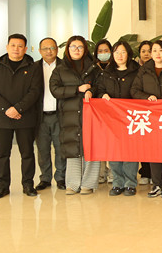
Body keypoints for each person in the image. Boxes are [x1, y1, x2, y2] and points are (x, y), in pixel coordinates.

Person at [0, 34, 42, 199]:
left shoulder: (33, 67)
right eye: (13, 45)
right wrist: (7, 109)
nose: (16, 49)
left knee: (27, 153)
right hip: (2, 118)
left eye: (20, 46)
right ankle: (2, 187)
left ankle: (28, 185)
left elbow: (35, 91)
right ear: (7, 47)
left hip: (25, 117)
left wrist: (18, 109)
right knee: (2, 154)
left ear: (25, 49)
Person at [49, 35, 100, 195]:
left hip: (90, 113)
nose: (76, 50)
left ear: (85, 49)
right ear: (68, 49)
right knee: (72, 147)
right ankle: (72, 184)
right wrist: (77, 89)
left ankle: (88, 184)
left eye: (80, 47)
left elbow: (101, 86)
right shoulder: (60, 69)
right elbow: (55, 90)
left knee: (91, 147)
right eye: (73, 47)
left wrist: (92, 91)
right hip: (69, 114)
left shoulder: (94, 67)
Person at [131, 40, 162, 198]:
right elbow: (134, 90)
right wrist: (146, 97)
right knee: (154, 151)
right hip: (150, 116)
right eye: (154, 50)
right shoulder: (144, 70)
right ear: (150, 54)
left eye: (161, 50)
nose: (158, 53)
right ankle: (156, 184)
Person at [93, 40, 141, 196]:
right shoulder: (106, 73)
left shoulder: (137, 71)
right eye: (117, 52)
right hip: (111, 118)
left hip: (130, 118)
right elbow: (99, 90)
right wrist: (103, 95)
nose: (120, 55)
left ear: (128, 54)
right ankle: (117, 182)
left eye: (123, 52)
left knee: (130, 151)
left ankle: (130, 183)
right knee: (114, 151)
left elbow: (139, 91)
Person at [33, 37, 65, 191]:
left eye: (52, 48)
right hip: (40, 116)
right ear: (40, 51)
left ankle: (61, 177)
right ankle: (45, 178)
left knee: (60, 148)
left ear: (57, 49)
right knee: (43, 149)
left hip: (60, 115)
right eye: (45, 48)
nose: (49, 51)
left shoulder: (65, 66)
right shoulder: (33, 68)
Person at [92, 38, 113, 184]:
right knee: (99, 141)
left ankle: (112, 172)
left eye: (106, 50)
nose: (103, 53)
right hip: (96, 111)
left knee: (111, 141)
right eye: (100, 51)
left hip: (113, 110)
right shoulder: (92, 68)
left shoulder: (115, 67)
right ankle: (100, 173)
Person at [136, 40, 153, 185]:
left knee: (154, 144)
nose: (146, 54)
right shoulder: (135, 69)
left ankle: (155, 174)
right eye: (143, 51)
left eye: (149, 51)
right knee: (142, 145)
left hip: (155, 112)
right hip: (140, 111)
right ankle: (145, 172)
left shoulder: (158, 68)